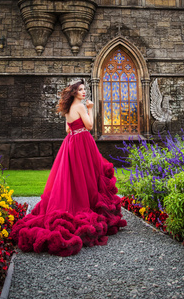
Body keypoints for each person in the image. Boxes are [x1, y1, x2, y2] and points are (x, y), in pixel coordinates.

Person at [10, 79, 127, 256]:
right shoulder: (80, 106)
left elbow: (67, 130)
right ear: (74, 92)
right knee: (88, 175)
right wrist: (90, 108)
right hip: (82, 142)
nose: (83, 92)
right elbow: (89, 126)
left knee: (73, 177)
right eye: (80, 90)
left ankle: (78, 201)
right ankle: (87, 204)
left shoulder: (68, 109)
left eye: (84, 89)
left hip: (71, 142)